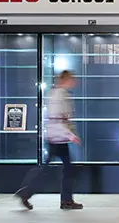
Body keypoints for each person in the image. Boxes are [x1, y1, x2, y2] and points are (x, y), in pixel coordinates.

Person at [15, 70, 82, 210]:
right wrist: (71, 135)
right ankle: (63, 200)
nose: (74, 82)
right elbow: (57, 119)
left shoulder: (59, 94)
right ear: (65, 80)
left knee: (62, 169)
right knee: (62, 170)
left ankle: (29, 193)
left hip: (58, 138)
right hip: (57, 139)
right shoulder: (59, 96)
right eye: (72, 79)